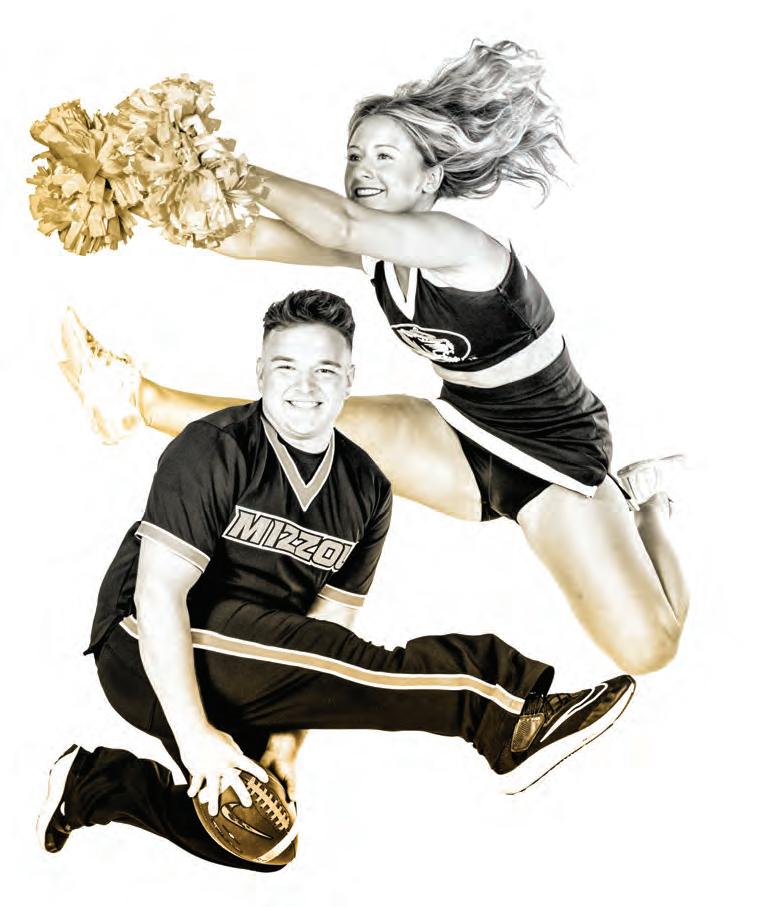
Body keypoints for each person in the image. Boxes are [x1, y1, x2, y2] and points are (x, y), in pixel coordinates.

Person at [59, 39, 689, 678]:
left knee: (650, 650)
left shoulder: (458, 244)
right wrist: (139, 184)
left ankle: (647, 503)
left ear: (429, 178)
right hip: (460, 429)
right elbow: (244, 238)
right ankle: (131, 397)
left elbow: (341, 224)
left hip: (552, 455)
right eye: (354, 155)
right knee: (300, 419)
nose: (363, 169)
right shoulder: (378, 254)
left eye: (385, 156)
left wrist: (229, 166)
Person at [39, 290, 634, 871]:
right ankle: (502, 714)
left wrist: (286, 742)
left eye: (325, 370)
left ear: (350, 379)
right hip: (145, 642)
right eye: (286, 367)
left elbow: (327, 634)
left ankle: (90, 785)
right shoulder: (214, 447)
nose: (305, 386)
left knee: (262, 838)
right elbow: (159, 594)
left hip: (251, 661)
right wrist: (195, 739)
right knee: (376, 668)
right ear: (260, 373)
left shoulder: (367, 489)